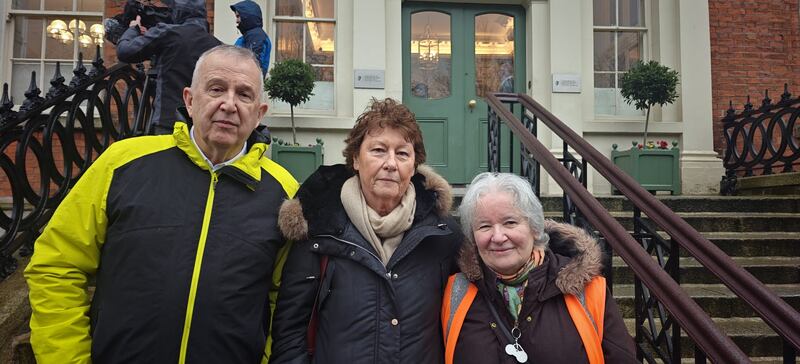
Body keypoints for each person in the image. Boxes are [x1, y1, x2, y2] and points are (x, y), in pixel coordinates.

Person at [25, 45, 299, 364]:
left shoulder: (284, 193)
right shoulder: (123, 163)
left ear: (259, 113)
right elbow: (58, 265)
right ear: (189, 100)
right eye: (216, 89)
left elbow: (290, 302)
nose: (229, 104)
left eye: (244, 94)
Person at [270, 98, 463, 363]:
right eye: (378, 150)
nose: (391, 163)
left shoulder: (443, 234)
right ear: (356, 160)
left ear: (414, 165)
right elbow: (290, 332)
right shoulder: (318, 230)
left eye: (403, 154)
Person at [443, 172, 637, 363]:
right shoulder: (456, 292)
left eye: (510, 223)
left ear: (535, 228)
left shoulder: (589, 290)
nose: (498, 237)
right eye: (484, 226)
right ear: (473, 236)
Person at [116, 0, 221, 134]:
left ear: (177, 12)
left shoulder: (168, 33)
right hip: (202, 125)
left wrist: (133, 29)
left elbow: (125, 51)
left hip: (168, 121)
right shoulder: (217, 46)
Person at [231, 0, 271, 77]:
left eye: (238, 16)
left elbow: (252, 65)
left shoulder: (256, 36)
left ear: (247, 16)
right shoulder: (250, 36)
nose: (236, 21)